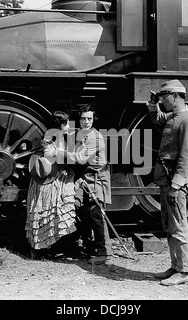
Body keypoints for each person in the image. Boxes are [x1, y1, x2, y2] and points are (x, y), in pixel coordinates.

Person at [146, 79, 188, 286]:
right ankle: (175, 266)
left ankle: (185, 271)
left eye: (164, 97)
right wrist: (153, 104)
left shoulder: (187, 121)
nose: (163, 101)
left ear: (175, 96)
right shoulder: (175, 116)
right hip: (166, 179)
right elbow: (159, 118)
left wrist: (176, 185)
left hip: (174, 182)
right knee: (170, 225)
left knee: (179, 225)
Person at [46, 105, 113, 264]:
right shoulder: (78, 134)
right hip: (83, 176)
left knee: (96, 213)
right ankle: (86, 246)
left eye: (89, 118)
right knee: (73, 206)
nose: (86, 122)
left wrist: (58, 153)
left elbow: (81, 158)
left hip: (97, 178)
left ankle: (105, 254)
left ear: (93, 119)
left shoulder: (95, 137)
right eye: (83, 118)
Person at [25, 111, 77, 256]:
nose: (68, 126)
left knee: (53, 214)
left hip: (55, 178)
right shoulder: (50, 138)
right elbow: (49, 156)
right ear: (60, 125)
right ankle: (40, 249)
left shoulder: (58, 137)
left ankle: (50, 247)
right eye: (66, 124)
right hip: (47, 182)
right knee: (45, 214)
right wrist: (67, 157)